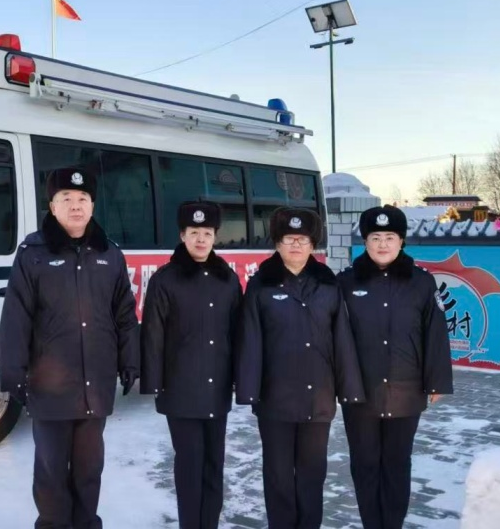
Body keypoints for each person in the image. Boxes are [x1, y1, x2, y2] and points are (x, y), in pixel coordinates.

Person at [0, 167, 140, 529]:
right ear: (52, 206)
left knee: (90, 468)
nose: (75, 206)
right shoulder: (33, 254)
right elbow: (15, 318)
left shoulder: (110, 254)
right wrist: (13, 372)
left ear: (92, 205)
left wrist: (130, 360)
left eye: (82, 199)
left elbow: (125, 314)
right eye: (66, 199)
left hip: (96, 383)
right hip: (50, 386)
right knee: (51, 470)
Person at [235, 207, 364, 529]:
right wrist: (248, 389)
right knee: (278, 475)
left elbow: (342, 339)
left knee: (312, 474)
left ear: (312, 245)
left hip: (317, 397)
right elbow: (250, 338)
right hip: (274, 398)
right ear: (277, 244)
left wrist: (349, 388)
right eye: (289, 239)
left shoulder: (328, 285)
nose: (296, 245)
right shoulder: (261, 285)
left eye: (302, 239)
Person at [337, 205, 453, 529]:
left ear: (401, 241)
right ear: (365, 241)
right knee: (364, 464)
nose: (383, 244)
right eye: (375, 237)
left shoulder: (422, 282)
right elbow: (334, 335)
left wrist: (436, 381)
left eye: (390, 237)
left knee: (397, 464)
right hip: (360, 392)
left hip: (406, 390)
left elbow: (435, 333)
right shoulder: (346, 282)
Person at [140, 201, 243, 529]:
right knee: (189, 465)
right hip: (180, 390)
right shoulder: (165, 280)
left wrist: (240, 378)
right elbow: (153, 334)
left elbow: (238, 332)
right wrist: (154, 384)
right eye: (194, 232)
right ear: (182, 235)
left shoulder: (227, 279)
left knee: (214, 466)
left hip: (217, 388)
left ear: (215, 237)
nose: (201, 239)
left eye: (207, 233)